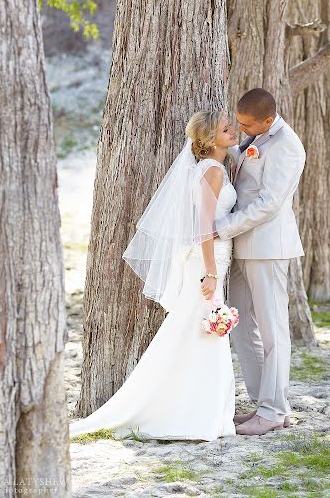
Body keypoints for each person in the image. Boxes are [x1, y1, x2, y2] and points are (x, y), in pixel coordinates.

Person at [69, 111, 239, 441]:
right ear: (207, 139)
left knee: (197, 332)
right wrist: (211, 273)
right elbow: (204, 227)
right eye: (225, 128)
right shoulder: (213, 171)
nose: (233, 130)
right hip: (207, 263)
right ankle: (185, 411)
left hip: (211, 260)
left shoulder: (213, 168)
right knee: (200, 332)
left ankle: (198, 407)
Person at [215, 88, 306, 436]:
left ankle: (274, 410)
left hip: (267, 246)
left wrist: (221, 228)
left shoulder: (286, 145)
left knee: (273, 330)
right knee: (239, 325)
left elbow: (269, 202)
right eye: (237, 123)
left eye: (247, 124)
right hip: (241, 245)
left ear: (268, 120)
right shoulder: (256, 136)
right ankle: (262, 403)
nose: (240, 130)